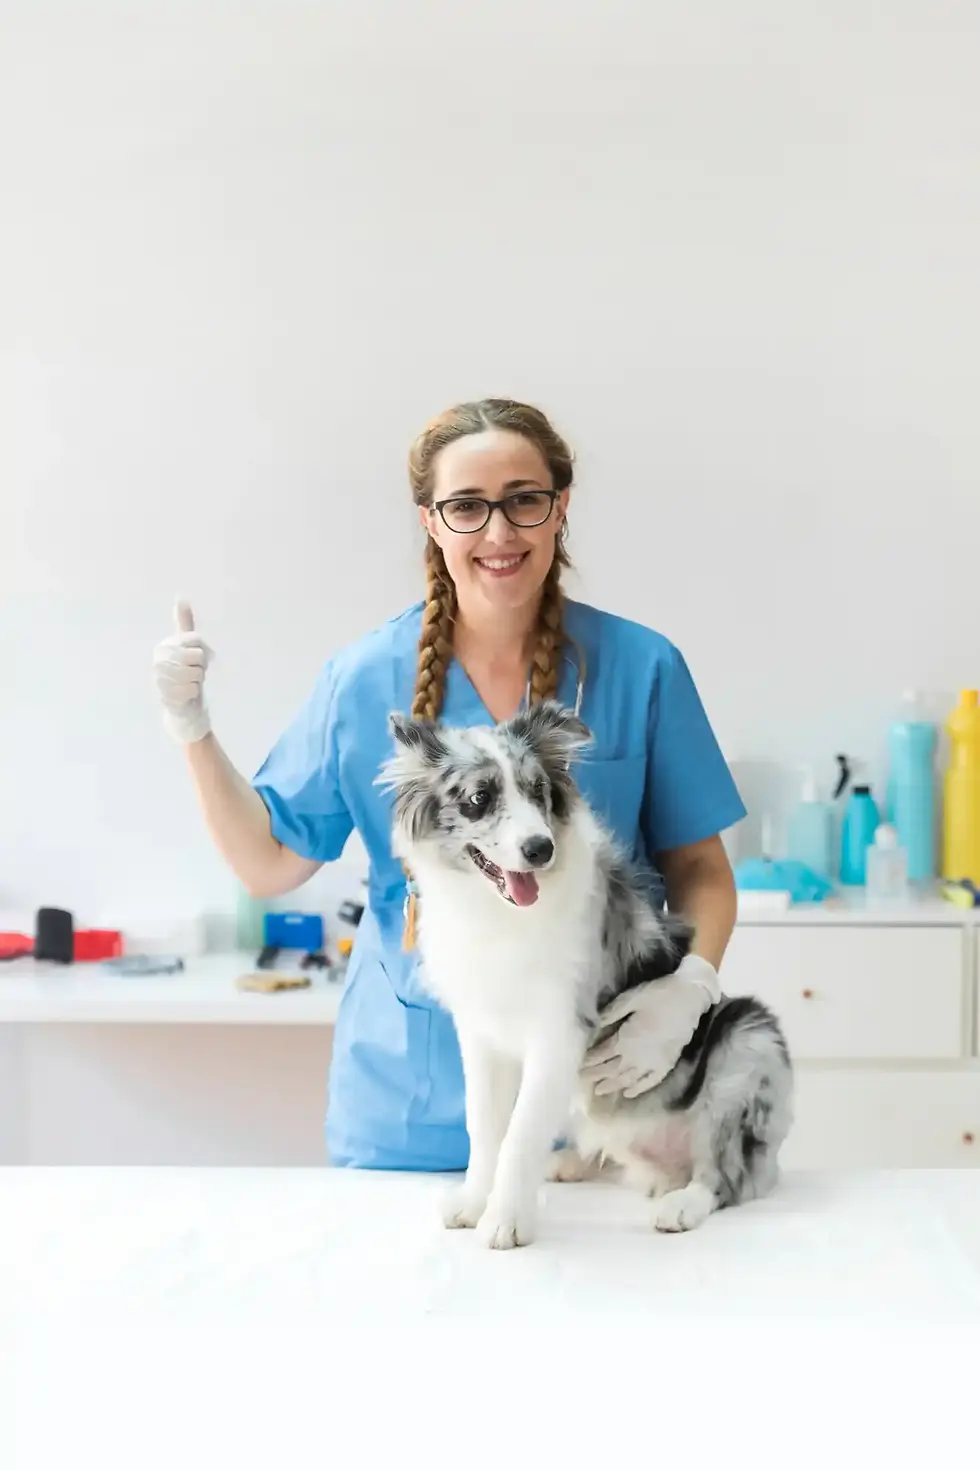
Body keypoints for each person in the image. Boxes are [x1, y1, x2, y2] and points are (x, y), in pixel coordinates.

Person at [153, 398, 746, 1171]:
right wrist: (192, 729)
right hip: (405, 1103)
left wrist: (691, 986)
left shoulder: (641, 667)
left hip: (598, 1116)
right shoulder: (364, 681)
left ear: (559, 508)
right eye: (466, 506)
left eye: (524, 501)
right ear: (431, 521)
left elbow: (701, 871)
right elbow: (268, 865)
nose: (498, 533)